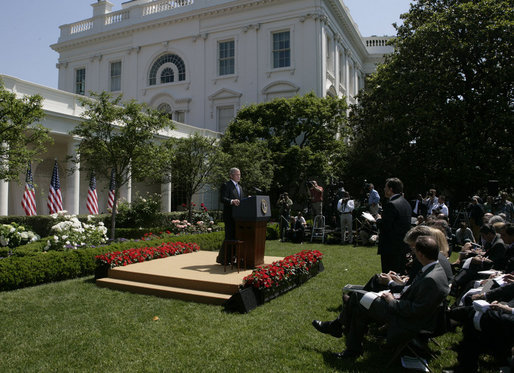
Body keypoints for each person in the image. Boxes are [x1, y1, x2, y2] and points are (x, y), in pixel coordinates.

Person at [311, 236, 449, 359]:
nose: (413, 254)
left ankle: (339, 328)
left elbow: (415, 310)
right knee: (360, 306)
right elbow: (416, 296)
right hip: (408, 310)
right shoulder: (435, 269)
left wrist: (391, 301)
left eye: (414, 251)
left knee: (357, 298)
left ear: (420, 254)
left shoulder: (430, 278)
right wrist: (395, 285)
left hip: (406, 320)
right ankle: (350, 345)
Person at [376, 177, 413, 274]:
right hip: (402, 245)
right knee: (399, 273)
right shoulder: (406, 203)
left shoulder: (391, 205)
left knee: (389, 274)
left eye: (386, 187)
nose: (384, 189)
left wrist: (378, 219)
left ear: (391, 189)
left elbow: (385, 226)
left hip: (390, 247)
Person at [217, 167, 245, 265]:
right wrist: (232, 201)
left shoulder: (240, 187)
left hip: (238, 217)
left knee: (235, 237)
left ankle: (229, 258)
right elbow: (222, 198)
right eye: (237, 175)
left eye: (240, 174)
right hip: (229, 216)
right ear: (231, 175)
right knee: (229, 237)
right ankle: (224, 259)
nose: (239, 176)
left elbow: (241, 200)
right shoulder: (226, 185)